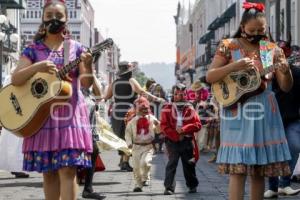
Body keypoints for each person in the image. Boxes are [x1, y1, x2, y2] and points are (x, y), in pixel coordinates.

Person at [206, 2, 293, 200]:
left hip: (264, 111)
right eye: (252, 30)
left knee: (258, 170)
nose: (256, 33)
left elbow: (285, 86)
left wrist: (285, 70)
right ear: (242, 26)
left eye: (261, 30)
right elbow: (211, 76)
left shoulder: (270, 49)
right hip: (237, 110)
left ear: (266, 28)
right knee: (238, 171)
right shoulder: (229, 46)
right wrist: (234, 66)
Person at [11, 1, 93, 199]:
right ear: (43, 19)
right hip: (42, 115)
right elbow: (16, 78)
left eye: (58, 15)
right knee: (48, 173)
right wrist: (36, 67)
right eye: (49, 15)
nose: (54, 19)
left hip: (70, 115)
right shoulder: (32, 50)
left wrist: (88, 65)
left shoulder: (76, 48)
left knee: (68, 170)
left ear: (66, 19)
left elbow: (86, 84)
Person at [103, 61, 164, 171]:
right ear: (129, 72)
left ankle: (122, 160)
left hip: (116, 111)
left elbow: (106, 96)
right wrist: (156, 98)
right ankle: (125, 162)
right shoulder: (131, 80)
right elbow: (141, 91)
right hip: (129, 111)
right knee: (129, 136)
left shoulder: (114, 83)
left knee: (121, 135)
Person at [264, 38, 300, 198]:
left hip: (292, 118)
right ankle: (273, 186)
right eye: (278, 51)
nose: (281, 54)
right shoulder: (268, 73)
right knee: (272, 151)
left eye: (284, 51)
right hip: (271, 119)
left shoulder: (296, 71)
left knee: (294, 146)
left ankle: (284, 183)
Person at [160, 83, 201, 195]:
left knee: (189, 164)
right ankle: (169, 187)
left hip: (187, 141)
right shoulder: (167, 108)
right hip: (172, 141)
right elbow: (164, 126)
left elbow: (197, 124)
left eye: (182, 94)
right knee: (171, 163)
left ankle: (192, 185)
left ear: (186, 95)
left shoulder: (190, 108)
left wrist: (184, 130)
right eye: (176, 94)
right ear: (173, 95)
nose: (179, 96)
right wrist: (176, 135)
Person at [125, 96, 160, 192]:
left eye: (146, 109)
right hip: (136, 146)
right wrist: (129, 143)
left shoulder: (152, 118)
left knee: (145, 163)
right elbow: (128, 133)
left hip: (148, 146)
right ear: (136, 109)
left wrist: (158, 125)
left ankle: (145, 177)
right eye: (141, 109)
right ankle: (138, 184)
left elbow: (158, 131)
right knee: (136, 167)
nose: (144, 111)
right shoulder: (132, 120)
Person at [80, 74, 106, 199]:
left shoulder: (87, 87)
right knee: (74, 155)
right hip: (76, 124)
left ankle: (88, 189)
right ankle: (71, 188)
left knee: (94, 150)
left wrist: (92, 74)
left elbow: (99, 94)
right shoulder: (74, 80)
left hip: (89, 124)